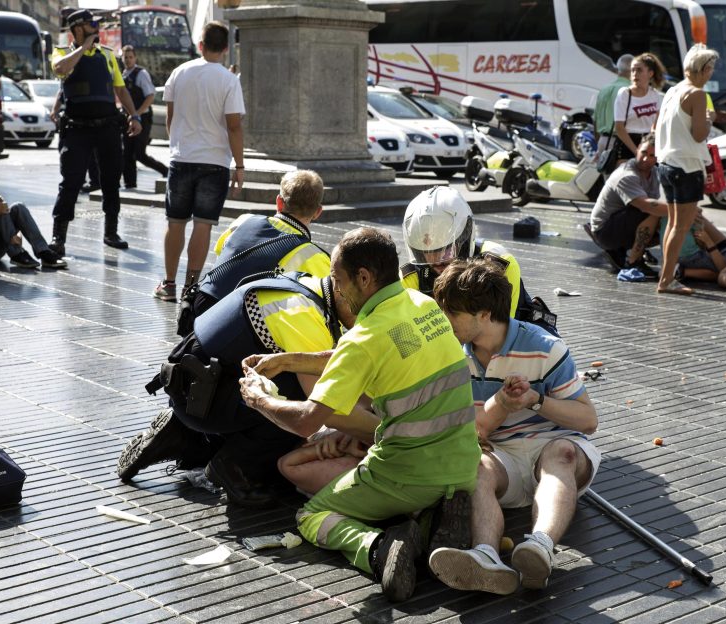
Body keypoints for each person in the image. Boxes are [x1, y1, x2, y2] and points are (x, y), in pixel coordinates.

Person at [239, 227, 480, 602]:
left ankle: (378, 548)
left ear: (364, 278)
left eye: (337, 279)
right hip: (465, 464)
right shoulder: (422, 305)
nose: (335, 289)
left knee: (310, 516)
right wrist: (286, 361)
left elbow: (306, 420)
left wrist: (258, 399)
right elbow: (354, 358)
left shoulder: (363, 338)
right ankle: (434, 518)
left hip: (408, 474)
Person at [118, 270, 378, 508]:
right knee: (295, 404)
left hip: (193, 388)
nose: (362, 321)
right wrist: (387, 434)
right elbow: (323, 409)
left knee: (281, 379)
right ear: (345, 289)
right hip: (204, 399)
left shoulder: (305, 285)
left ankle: (183, 434)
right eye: (362, 310)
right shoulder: (304, 315)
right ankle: (235, 466)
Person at [427, 259, 599, 594]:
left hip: (552, 447)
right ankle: (486, 556)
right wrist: (502, 405)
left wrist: (536, 401)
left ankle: (540, 546)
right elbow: (474, 431)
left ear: (485, 314)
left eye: (451, 313)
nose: (442, 321)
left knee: (561, 452)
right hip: (500, 453)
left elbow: (588, 421)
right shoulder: (449, 354)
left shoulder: (545, 347)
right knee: (474, 466)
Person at [155, 21, 244, 301]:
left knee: (176, 223)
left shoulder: (179, 73)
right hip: (215, 161)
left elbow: (170, 118)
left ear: (200, 45)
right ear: (226, 48)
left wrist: (179, 143)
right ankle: (190, 287)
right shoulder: (229, 80)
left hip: (182, 157)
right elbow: (233, 126)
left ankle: (168, 284)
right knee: (203, 224)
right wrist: (239, 165)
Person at [401, 186, 557, 335]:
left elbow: (500, 334)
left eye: (445, 249)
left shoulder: (499, 266)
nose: (436, 260)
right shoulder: (411, 277)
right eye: (426, 253)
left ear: (465, 236)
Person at [49, 9, 143, 256]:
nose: (97, 28)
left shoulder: (108, 55)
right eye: (92, 24)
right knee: (71, 181)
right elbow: (60, 69)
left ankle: (111, 232)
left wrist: (134, 116)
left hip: (107, 128)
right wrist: (83, 49)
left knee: (111, 181)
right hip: (77, 129)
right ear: (78, 29)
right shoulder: (62, 53)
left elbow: (120, 91)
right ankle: (59, 236)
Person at [178, 170, 329, 312]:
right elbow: (325, 301)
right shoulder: (312, 255)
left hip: (202, 306)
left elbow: (220, 251)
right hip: (239, 323)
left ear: (279, 202)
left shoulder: (243, 221)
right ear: (317, 212)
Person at [654, 44, 719, 295]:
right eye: (711, 68)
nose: (711, 74)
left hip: (667, 164)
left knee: (672, 225)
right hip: (687, 167)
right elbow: (699, 134)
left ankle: (665, 277)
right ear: (702, 69)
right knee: (681, 228)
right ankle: (666, 280)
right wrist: (709, 118)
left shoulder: (673, 90)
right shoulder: (697, 94)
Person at [0, 156, 68, 269]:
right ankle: (17, 253)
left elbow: (5, 222)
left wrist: (16, 235)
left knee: (18, 207)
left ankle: (44, 252)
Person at [586, 134, 667, 276]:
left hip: (623, 221)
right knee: (653, 210)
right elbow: (646, 206)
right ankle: (633, 261)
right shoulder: (627, 174)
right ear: (637, 150)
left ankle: (631, 254)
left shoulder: (654, 172)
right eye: (643, 152)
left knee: (665, 216)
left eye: (652, 155)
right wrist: (682, 211)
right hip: (604, 231)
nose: (646, 158)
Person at [120, 45, 168, 189]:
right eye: (125, 57)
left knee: (139, 153)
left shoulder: (141, 74)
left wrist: (137, 114)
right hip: (128, 119)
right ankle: (129, 183)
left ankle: (166, 171)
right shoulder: (123, 74)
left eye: (130, 57)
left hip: (143, 118)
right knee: (127, 153)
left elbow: (150, 96)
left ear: (135, 58)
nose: (128, 60)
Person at [612, 52, 665, 168]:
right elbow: (619, 127)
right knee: (627, 183)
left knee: (648, 184)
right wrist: (637, 151)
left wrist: (649, 148)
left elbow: (656, 125)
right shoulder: (625, 94)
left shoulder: (655, 95)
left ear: (650, 73)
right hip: (627, 144)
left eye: (639, 70)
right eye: (632, 70)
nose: (635, 74)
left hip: (648, 145)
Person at [660, 212, 726, 282]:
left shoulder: (666, 208)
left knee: (697, 216)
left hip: (670, 252)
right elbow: (723, 270)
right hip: (692, 254)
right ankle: (679, 271)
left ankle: (675, 269)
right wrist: (708, 242)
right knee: (721, 275)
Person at [593, 54, 633, 158]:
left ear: (617, 69)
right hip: (620, 144)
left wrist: (599, 144)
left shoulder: (603, 89)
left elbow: (595, 121)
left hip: (602, 142)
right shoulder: (630, 90)